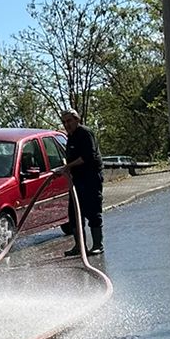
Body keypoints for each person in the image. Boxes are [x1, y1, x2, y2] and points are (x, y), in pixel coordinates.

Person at [59, 105, 104, 256]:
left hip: (91, 178)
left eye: (69, 121)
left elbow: (87, 156)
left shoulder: (85, 133)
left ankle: (98, 244)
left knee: (93, 211)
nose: (67, 124)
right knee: (74, 214)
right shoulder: (70, 136)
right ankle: (80, 245)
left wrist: (68, 167)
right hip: (77, 180)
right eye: (64, 122)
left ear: (76, 120)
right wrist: (65, 168)